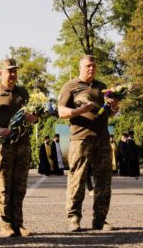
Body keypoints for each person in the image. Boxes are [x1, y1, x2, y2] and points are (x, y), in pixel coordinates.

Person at [58, 55, 119, 232]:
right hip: (80, 139)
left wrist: (115, 107)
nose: (91, 69)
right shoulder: (71, 86)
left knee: (104, 181)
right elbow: (61, 112)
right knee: (76, 179)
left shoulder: (102, 87)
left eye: (94, 66)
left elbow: (110, 114)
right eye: (88, 66)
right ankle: (74, 218)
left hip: (102, 138)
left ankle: (99, 220)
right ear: (80, 68)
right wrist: (79, 110)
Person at [0, 58, 37, 237]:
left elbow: (35, 118)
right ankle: (5, 225)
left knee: (20, 186)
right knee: (4, 185)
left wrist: (33, 117)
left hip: (22, 143)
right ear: (0, 73)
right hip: (1, 144)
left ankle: (18, 223)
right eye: (9, 71)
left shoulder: (23, 92)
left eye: (14, 71)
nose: (12, 74)